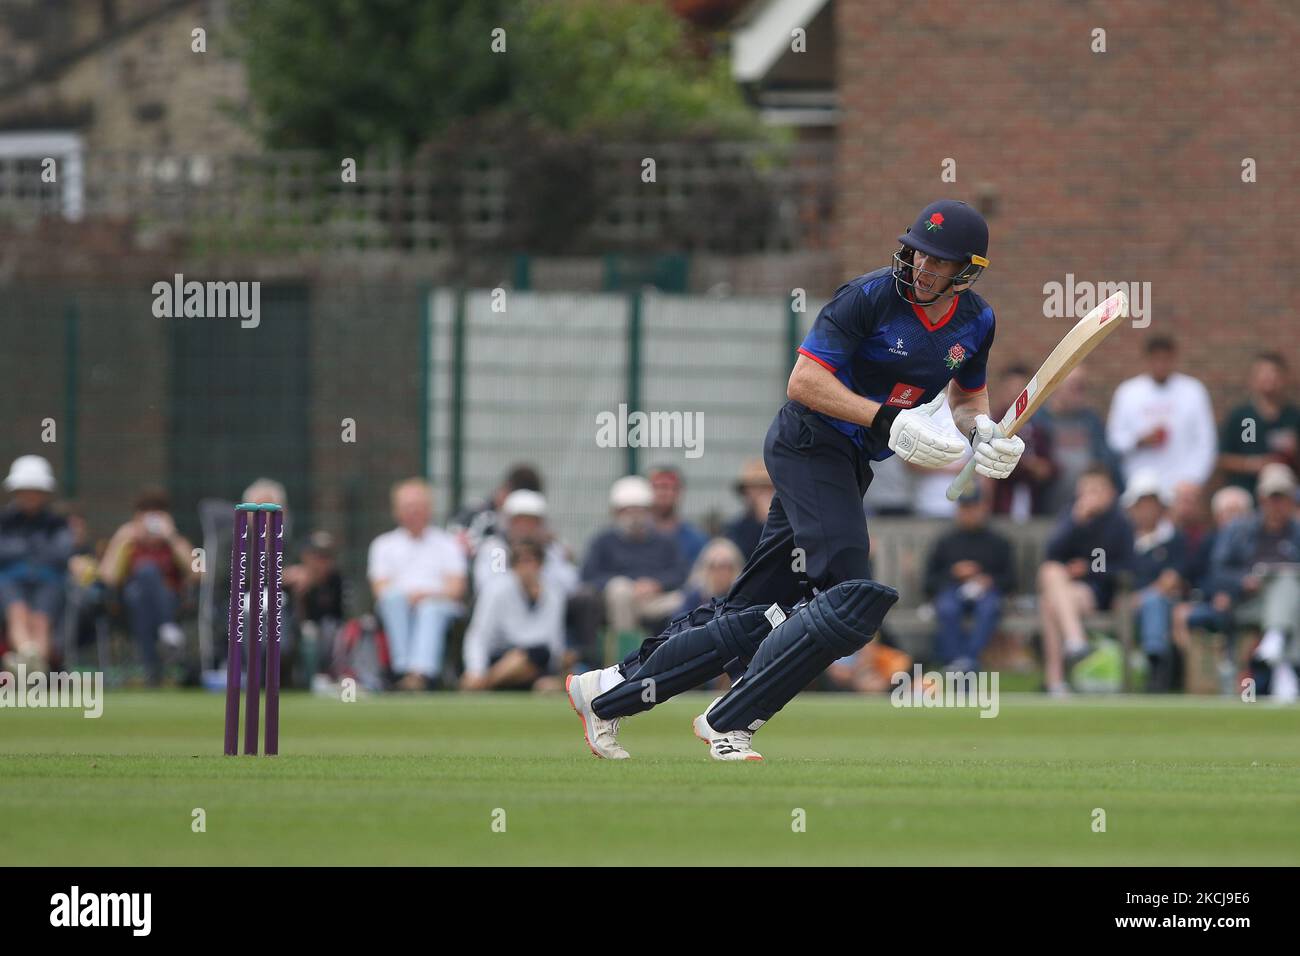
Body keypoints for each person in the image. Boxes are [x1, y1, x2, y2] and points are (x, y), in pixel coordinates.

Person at [566, 199, 1026, 760]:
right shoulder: (869, 296)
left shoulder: (977, 320)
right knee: (852, 598)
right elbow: (804, 381)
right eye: (918, 253)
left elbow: (968, 396)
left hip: (852, 463)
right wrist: (887, 419)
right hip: (807, 443)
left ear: (966, 271)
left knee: (754, 611)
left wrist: (982, 431)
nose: (922, 268)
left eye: (939, 262)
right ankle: (729, 721)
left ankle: (606, 690)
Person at [1036, 464, 1134, 697]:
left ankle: (1056, 679)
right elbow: (1052, 553)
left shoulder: (1119, 523)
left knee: (1050, 596)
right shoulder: (1072, 516)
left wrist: (1089, 569)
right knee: (1050, 577)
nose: (1091, 496)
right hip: (1066, 592)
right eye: (1086, 490)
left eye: (1097, 490)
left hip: (1098, 592)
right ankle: (1075, 642)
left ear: (1111, 492)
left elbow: (1126, 567)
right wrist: (1075, 522)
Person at [1209, 463, 1300, 701]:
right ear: (1262, 498)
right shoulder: (1239, 530)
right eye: (1272, 498)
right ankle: (1280, 654)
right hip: (1248, 603)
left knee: (1288, 581)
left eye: (1282, 498)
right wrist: (1243, 581)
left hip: (1291, 606)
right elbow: (1217, 570)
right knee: (1288, 591)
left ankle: (1278, 657)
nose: (1277, 505)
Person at [367, 479, 467, 690]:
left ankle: (420, 673)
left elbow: (456, 588)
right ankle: (403, 670)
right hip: (399, 605)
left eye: (418, 507)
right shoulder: (383, 545)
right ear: (397, 511)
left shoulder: (448, 544)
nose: (413, 512)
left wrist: (427, 596)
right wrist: (408, 597)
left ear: (429, 509)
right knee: (393, 599)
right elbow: (380, 589)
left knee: (430, 608)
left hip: (439, 604)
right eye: (407, 507)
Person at [98, 488, 197, 685]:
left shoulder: (176, 541)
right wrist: (123, 539)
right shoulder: (128, 539)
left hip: (171, 601)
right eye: (146, 513)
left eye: (158, 513)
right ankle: (167, 630)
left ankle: (152, 669)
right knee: (144, 577)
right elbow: (107, 576)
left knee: (143, 588)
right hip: (127, 605)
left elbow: (199, 572)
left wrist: (172, 538)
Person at [580, 476, 689, 644]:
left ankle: (677, 651)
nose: (635, 517)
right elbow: (589, 576)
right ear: (616, 513)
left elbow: (679, 573)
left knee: (685, 600)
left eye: (640, 510)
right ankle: (627, 657)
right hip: (618, 603)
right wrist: (631, 586)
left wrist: (656, 584)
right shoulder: (603, 541)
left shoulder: (665, 541)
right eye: (628, 511)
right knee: (620, 589)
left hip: (655, 600)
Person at [1105, 336, 1217, 494]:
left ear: (1174, 360)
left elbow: (1205, 442)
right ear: (1147, 360)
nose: (1161, 365)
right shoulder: (1128, 392)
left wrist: (1193, 479)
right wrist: (1139, 440)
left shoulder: (1193, 391)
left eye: (1166, 359)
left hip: (1182, 485)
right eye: (1156, 359)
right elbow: (1114, 440)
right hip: (1139, 484)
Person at [923, 485, 1014, 673]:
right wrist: (954, 574)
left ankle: (968, 659)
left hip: (987, 593)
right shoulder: (946, 542)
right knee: (947, 608)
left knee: (988, 609)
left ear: (983, 508)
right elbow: (929, 582)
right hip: (952, 590)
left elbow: (1011, 580)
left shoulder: (998, 542)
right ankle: (955, 659)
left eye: (973, 507)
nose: (969, 513)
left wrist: (989, 580)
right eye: (965, 508)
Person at [461, 539, 566, 691]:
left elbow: (554, 639)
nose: (527, 568)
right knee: (519, 658)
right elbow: (479, 634)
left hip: (538, 659)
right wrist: (475, 670)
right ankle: (484, 682)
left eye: (531, 561)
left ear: (540, 564)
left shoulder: (554, 593)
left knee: (544, 681)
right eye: (521, 562)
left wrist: (555, 671)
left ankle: (483, 685)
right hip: (500, 656)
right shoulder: (495, 590)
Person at [0, 455, 74, 672]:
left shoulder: (57, 523)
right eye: (25, 490)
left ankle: (29, 667)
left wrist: (25, 551)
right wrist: (34, 550)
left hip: (49, 581)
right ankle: (30, 660)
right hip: (10, 581)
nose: (30, 496)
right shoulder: (4, 521)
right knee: (17, 613)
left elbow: (61, 553)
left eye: (35, 491)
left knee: (41, 621)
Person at [1120, 471, 1190, 692]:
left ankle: (1157, 669)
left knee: (1154, 602)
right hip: (1125, 603)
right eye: (1142, 503)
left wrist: (1143, 597)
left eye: (1152, 503)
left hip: (1164, 604)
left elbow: (1173, 578)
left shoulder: (1174, 539)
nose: (1147, 510)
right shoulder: (1122, 539)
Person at [1218, 352, 1300, 496]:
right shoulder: (1240, 416)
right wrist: (1253, 464)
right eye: (1263, 374)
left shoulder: (1294, 417)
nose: (1269, 379)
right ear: (1253, 379)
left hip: (1285, 490)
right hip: (1246, 489)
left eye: (1274, 373)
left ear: (1284, 378)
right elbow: (1223, 458)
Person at [648, 466, 708, 567]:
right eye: (659, 487)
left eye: (672, 488)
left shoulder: (696, 539)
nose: (665, 493)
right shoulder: (635, 537)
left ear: (680, 492)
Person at [723, 459, 774, 559]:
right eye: (755, 487)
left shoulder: (790, 526)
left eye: (766, 487)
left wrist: (770, 520)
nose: (761, 493)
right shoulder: (735, 529)